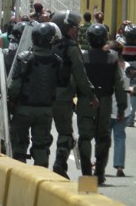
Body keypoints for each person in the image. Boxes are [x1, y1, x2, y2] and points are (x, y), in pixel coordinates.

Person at [50, 10, 99, 179]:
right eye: (74, 28)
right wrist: (91, 95)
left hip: (40, 98)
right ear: (65, 28)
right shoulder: (71, 48)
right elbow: (81, 76)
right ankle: (59, 163)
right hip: (62, 99)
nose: (77, 31)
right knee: (66, 136)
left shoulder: (43, 43)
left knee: (39, 137)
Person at [78, 24, 127, 185]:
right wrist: (121, 106)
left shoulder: (83, 56)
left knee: (85, 138)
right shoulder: (112, 58)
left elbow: (76, 80)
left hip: (86, 100)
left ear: (89, 39)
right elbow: (119, 85)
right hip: (105, 102)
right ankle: (99, 172)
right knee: (103, 138)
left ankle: (86, 173)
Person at [8, 23, 62, 167]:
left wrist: (10, 101)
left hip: (23, 110)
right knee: (41, 147)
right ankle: (41, 178)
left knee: (19, 144)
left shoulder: (24, 58)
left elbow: (14, 86)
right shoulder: (57, 61)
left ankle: (20, 176)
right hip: (45, 111)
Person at [107, 40, 133, 177]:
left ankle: (100, 163)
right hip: (124, 108)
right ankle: (119, 167)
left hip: (109, 107)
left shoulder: (108, 66)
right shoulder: (128, 66)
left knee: (104, 137)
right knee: (120, 137)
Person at [122, 24, 136, 127]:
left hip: (124, 70)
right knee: (133, 93)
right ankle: (130, 119)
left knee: (123, 89)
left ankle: (122, 114)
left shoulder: (122, 46)